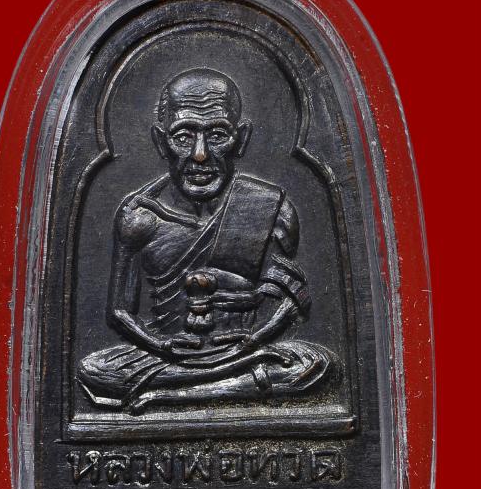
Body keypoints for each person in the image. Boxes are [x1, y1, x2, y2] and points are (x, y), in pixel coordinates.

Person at [78, 68, 339, 414]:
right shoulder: (139, 215)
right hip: (169, 353)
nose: (200, 154)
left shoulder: (269, 206)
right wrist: (162, 345)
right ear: (160, 141)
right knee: (95, 369)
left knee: (314, 363)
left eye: (217, 135)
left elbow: (291, 299)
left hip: (243, 349)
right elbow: (119, 312)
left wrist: (254, 339)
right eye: (183, 136)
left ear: (241, 139)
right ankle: (220, 388)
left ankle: (170, 396)